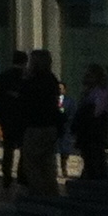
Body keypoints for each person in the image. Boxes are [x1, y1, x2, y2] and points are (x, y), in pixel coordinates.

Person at [18, 49, 65, 198]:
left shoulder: (31, 81)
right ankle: (51, 193)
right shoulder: (51, 79)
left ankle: (37, 193)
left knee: (32, 163)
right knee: (48, 162)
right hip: (50, 126)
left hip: (34, 126)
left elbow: (24, 103)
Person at [0, 50, 29, 187]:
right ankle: (21, 174)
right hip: (23, 118)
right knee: (24, 148)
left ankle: (6, 175)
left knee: (8, 148)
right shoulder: (26, 77)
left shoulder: (2, 77)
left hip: (7, 118)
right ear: (25, 62)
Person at [72, 68, 108, 182]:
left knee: (95, 157)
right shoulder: (90, 93)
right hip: (89, 130)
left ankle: (95, 178)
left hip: (93, 130)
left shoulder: (99, 93)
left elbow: (96, 113)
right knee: (90, 157)